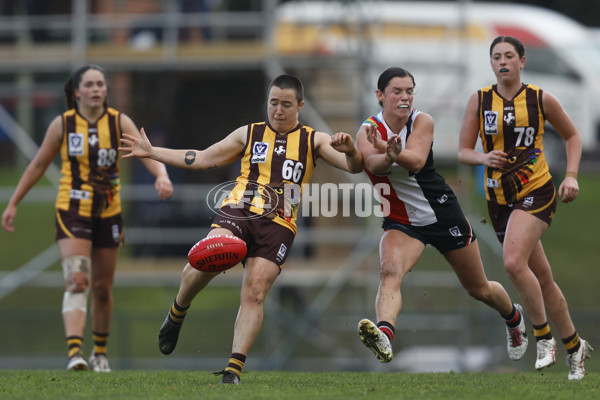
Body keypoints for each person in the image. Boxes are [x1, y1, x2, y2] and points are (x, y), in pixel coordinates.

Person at [118, 74, 363, 384]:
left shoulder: (314, 140)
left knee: (255, 292)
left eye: (286, 104)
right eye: (273, 103)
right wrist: (153, 151)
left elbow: (353, 167)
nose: (278, 110)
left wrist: (352, 150)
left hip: (279, 225)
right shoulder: (249, 134)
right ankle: (177, 312)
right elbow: (204, 158)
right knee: (206, 259)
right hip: (240, 209)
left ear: (300, 106)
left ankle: (232, 370)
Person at [1, 65, 174, 372]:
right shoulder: (62, 124)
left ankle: (100, 353)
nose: (96, 89)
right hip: (72, 209)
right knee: (77, 278)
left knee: (103, 287)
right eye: (90, 84)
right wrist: (13, 202)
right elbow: (39, 164)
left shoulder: (119, 121)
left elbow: (147, 153)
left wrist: (161, 176)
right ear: (77, 91)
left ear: (106, 90)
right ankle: (74, 354)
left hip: (109, 212)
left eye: (100, 84)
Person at [355, 67, 528, 367]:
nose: (405, 97)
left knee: (479, 289)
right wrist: (386, 153)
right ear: (380, 95)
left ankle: (513, 318)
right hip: (401, 220)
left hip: (442, 213)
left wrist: (391, 151)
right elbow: (373, 164)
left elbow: (418, 160)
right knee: (389, 273)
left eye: (410, 90)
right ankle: (385, 335)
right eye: (398, 91)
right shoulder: (368, 130)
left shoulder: (422, 121)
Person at [457, 36, 593, 380]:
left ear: (522, 61)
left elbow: (573, 136)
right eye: (496, 57)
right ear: (491, 64)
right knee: (543, 279)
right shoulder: (480, 100)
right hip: (498, 199)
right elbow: (462, 151)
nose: (503, 61)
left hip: (536, 190)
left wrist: (572, 176)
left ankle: (543, 337)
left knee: (513, 263)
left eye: (509, 56)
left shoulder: (540, 99)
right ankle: (575, 347)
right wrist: (483, 157)